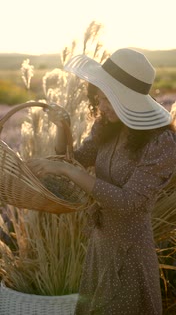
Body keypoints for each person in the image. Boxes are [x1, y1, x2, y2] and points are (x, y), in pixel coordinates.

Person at [27, 48, 176, 315]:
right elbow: (75, 160)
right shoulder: (107, 126)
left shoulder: (160, 143)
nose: (101, 104)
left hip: (129, 255)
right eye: (99, 95)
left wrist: (67, 171)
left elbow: (128, 202)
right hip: (100, 245)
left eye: (109, 98)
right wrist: (64, 127)